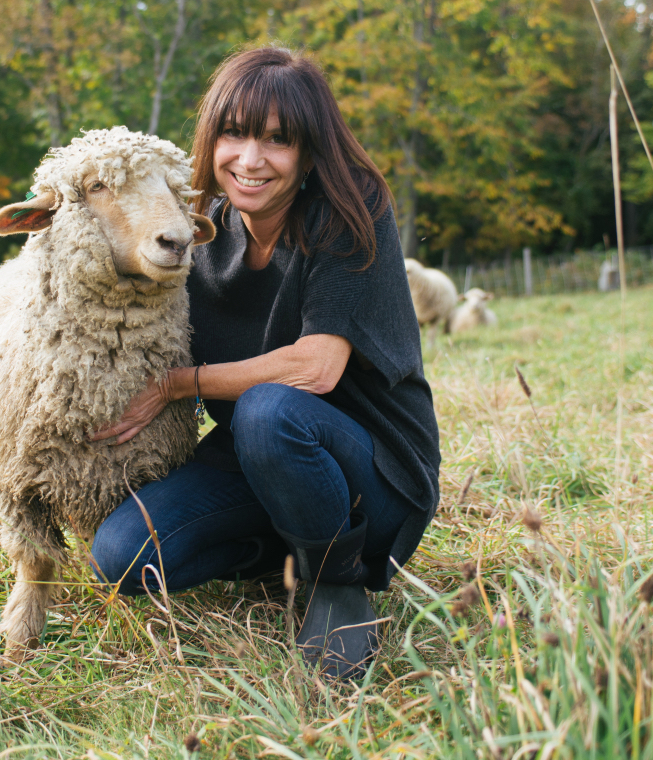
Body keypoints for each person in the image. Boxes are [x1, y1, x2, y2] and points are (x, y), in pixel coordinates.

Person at [89, 45, 440, 678]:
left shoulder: (350, 214)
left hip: (376, 475)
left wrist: (180, 385)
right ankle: (282, 552)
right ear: (211, 137)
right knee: (121, 554)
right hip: (258, 464)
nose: (250, 160)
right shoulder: (199, 233)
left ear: (310, 151)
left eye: (278, 140)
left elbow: (316, 368)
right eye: (234, 133)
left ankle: (339, 582)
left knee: (269, 408)